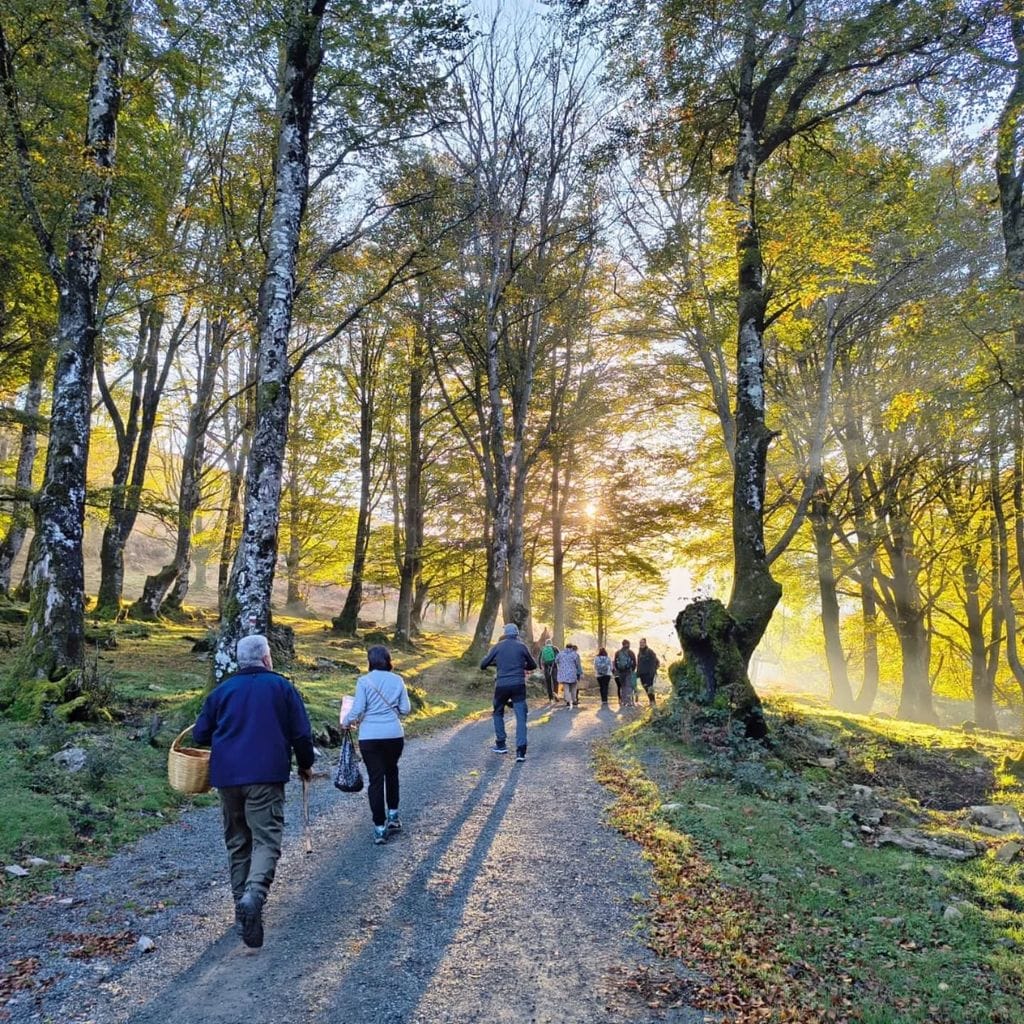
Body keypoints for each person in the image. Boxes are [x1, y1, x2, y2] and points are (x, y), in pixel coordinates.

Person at [193, 633, 315, 949]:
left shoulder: (222, 691)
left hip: (227, 777)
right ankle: (254, 895)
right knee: (266, 840)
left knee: (237, 842)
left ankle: (241, 910)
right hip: (266, 776)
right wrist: (305, 764)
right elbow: (301, 734)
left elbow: (200, 734)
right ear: (265, 658)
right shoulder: (282, 688)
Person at [341, 645, 412, 845]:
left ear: (370, 661)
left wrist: (346, 722)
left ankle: (379, 828)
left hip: (370, 737)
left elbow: (358, 709)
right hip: (393, 735)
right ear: (388, 660)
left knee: (375, 779)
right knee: (392, 772)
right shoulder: (398, 680)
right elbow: (406, 709)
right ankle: (394, 816)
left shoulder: (364, 681)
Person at [480, 623, 537, 762]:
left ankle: (501, 744)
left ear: (505, 633)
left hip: (502, 686)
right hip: (518, 685)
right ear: (517, 634)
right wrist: (522, 665)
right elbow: (533, 665)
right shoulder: (522, 646)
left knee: (498, 712)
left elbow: (483, 665)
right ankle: (521, 752)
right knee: (521, 717)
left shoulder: (498, 646)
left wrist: (497, 663)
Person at [636, 638, 661, 706]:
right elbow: (639, 663)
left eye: (643, 642)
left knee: (650, 687)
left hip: (649, 674)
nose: (641, 644)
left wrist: (652, 672)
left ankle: (652, 701)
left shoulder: (650, 651)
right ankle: (651, 700)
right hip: (642, 674)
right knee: (645, 687)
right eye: (640, 643)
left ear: (645, 643)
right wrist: (637, 673)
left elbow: (655, 662)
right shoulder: (639, 652)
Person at [613, 639, 637, 708]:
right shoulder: (631, 652)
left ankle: (623, 701)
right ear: (628, 644)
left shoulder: (618, 652)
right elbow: (634, 662)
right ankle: (629, 702)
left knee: (623, 687)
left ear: (622, 644)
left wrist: (618, 670)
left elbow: (615, 662)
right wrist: (632, 670)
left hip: (621, 672)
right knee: (628, 686)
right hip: (628, 671)